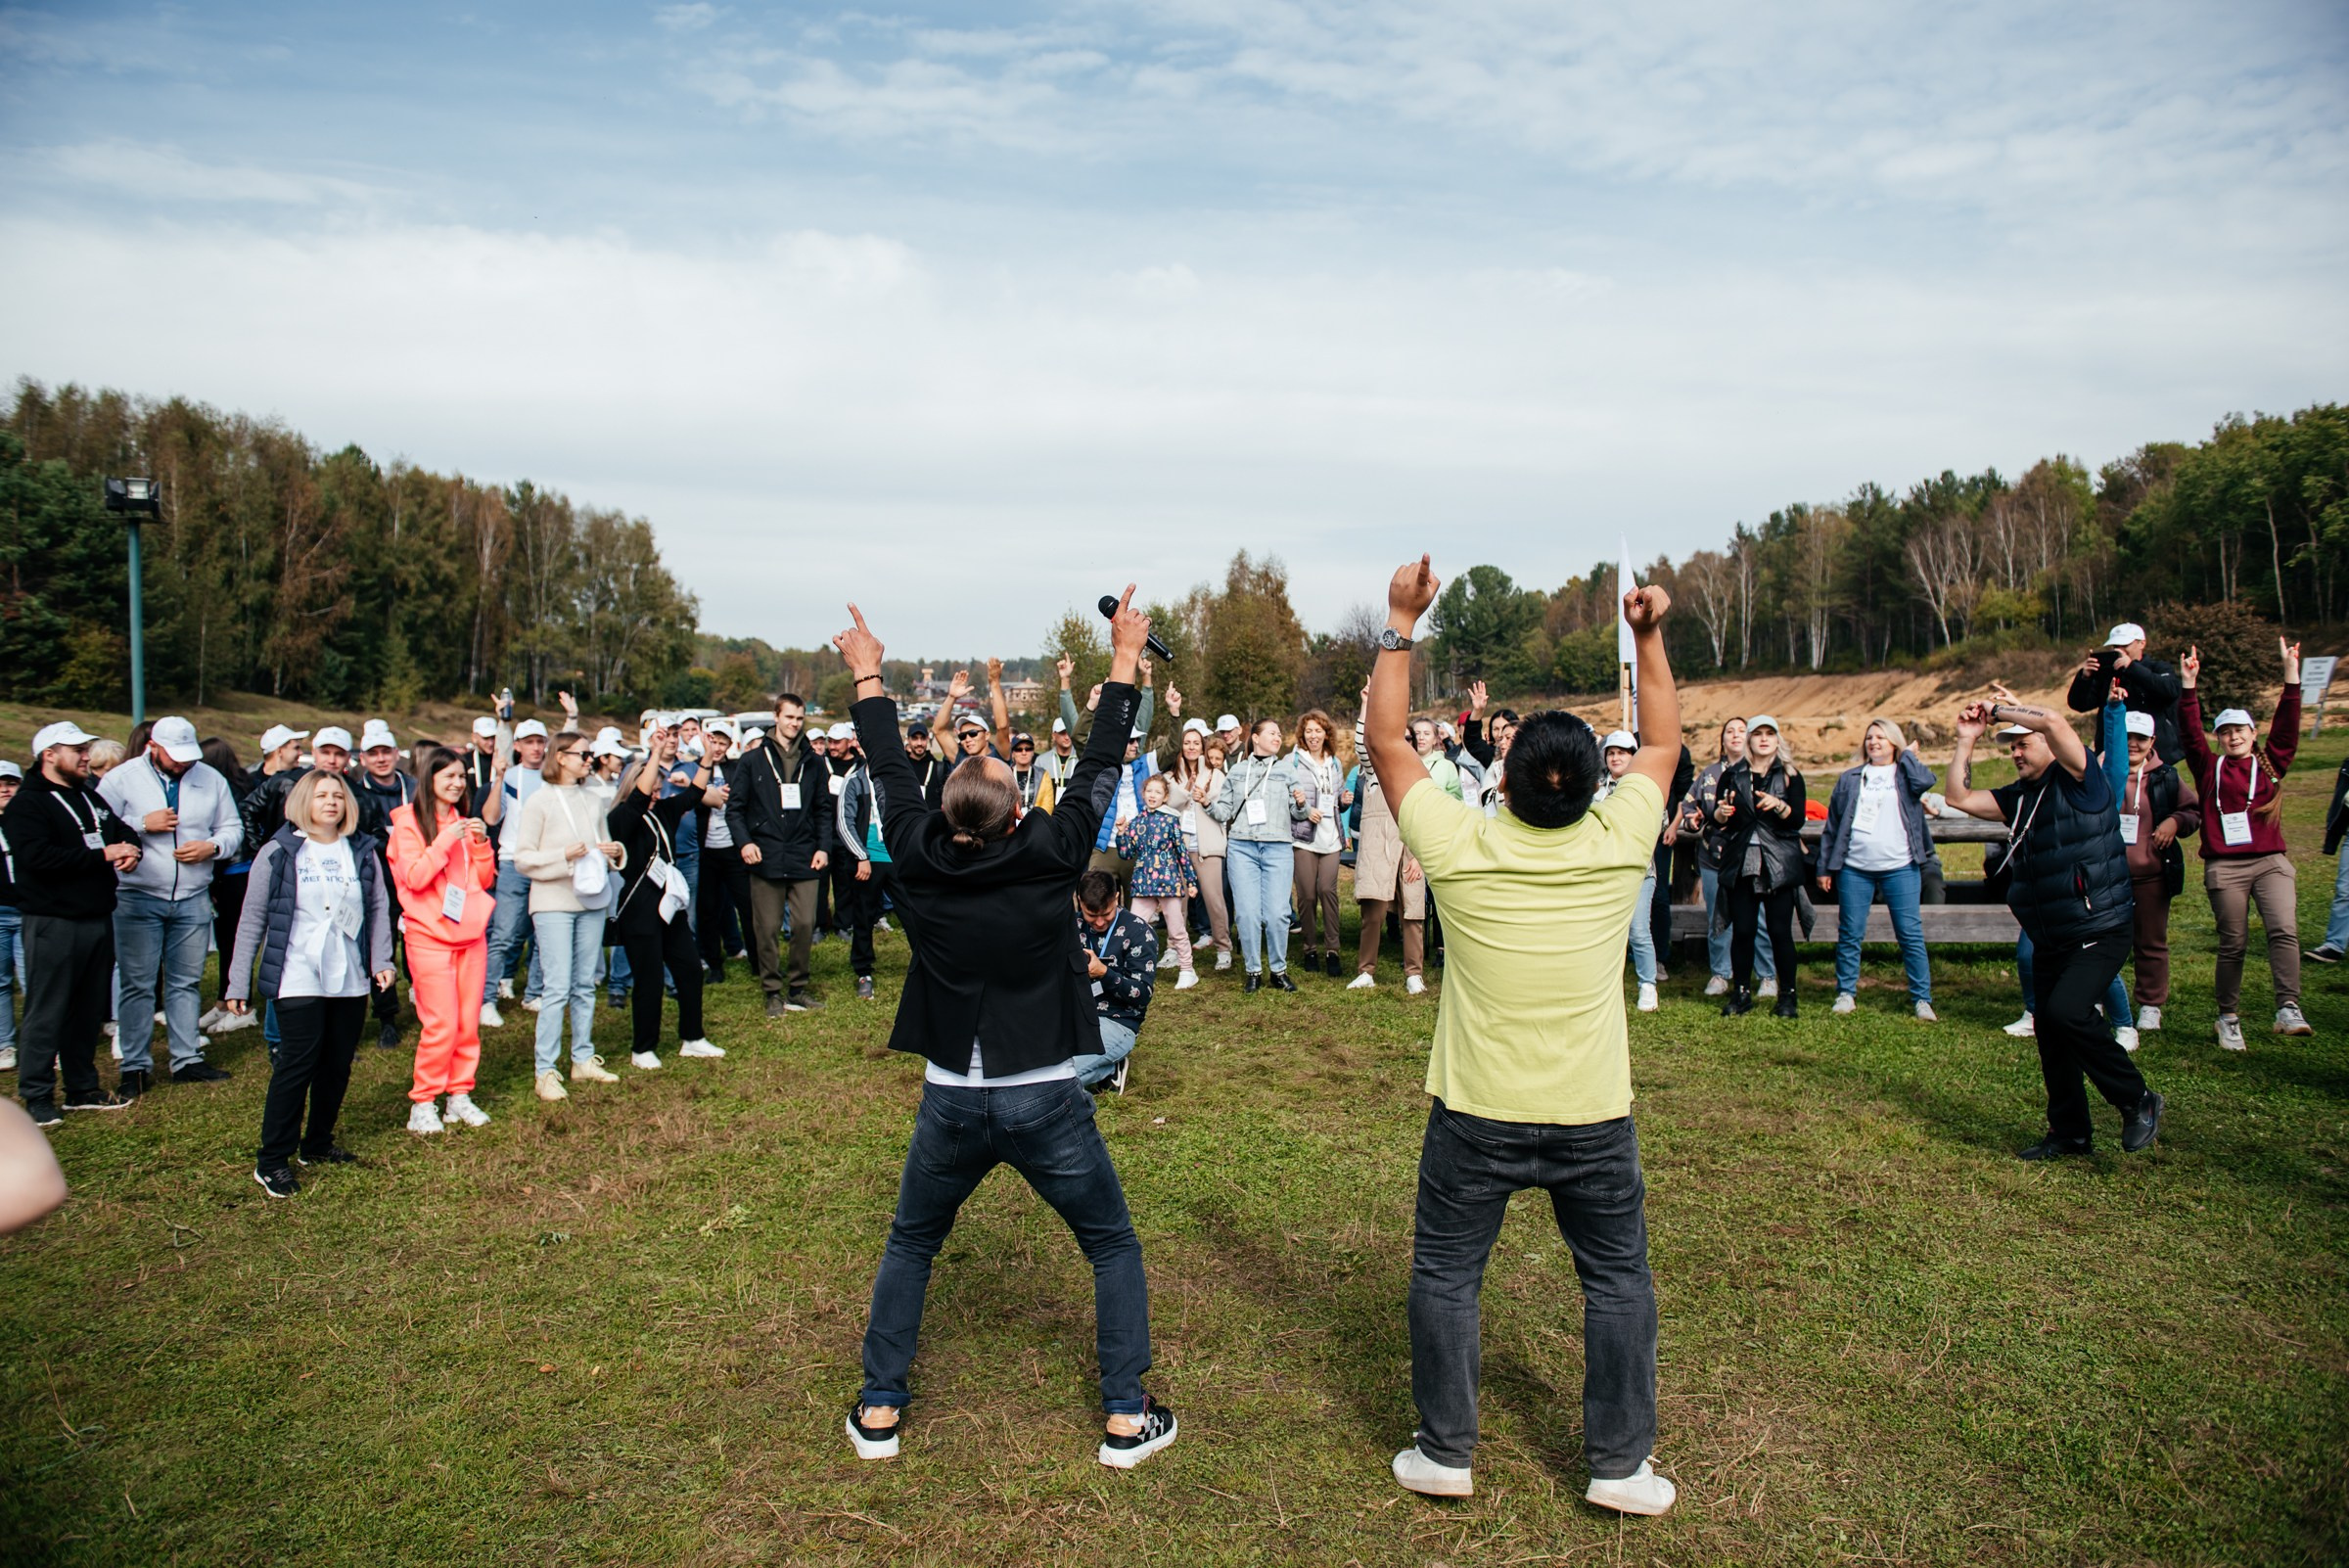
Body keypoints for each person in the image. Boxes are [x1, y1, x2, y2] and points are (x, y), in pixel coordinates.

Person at [833, 588, 1178, 1472]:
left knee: (914, 1239)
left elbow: (886, 770)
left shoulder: (913, 855)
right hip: (1041, 1095)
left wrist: (869, 673)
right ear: (1017, 811)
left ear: (945, 816)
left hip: (952, 1094)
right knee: (1110, 1243)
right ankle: (1124, 1419)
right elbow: (1101, 764)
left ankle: (879, 1410)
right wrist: (1124, 659)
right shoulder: (1053, 852)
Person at [1375, 555, 1680, 1516]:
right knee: (1618, 1284)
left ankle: (1446, 1452)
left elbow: (1387, 739)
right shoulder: (1619, 841)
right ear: (1598, 785)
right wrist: (1646, 634)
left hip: (1476, 1112)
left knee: (1447, 1277)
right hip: (1593, 1111)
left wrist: (1398, 619)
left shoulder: (1461, 846)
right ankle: (1619, 1468)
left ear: (1502, 781)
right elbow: (1667, 744)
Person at [1941, 699, 2162, 1159]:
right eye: (2012, 749)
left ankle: (2136, 1099)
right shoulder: (2017, 797)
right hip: (2051, 935)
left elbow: (2058, 722)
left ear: (2049, 744)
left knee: (2065, 1012)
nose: (2017, 753)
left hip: (2100, 926)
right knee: (2051, 1034)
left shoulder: (2083, 782)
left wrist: (2002, 710)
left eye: (2024, 744)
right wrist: (1966, 740)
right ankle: (2070, 1133)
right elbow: (1958, 799)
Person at [223, 769, 394, 1194]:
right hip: (296, 973)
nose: (332, 802)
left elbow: (377, 907)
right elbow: (251, 920)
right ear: (304, 802)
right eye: (321, 795)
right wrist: (237, 982)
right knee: (297, 1063)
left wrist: (381, 960)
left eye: (338, 795)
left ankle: (317, 1143)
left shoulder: (362, 850)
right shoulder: (278, 852)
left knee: (337, 1064)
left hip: (349, 976)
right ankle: (272, 1159)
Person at [98, 715, 243, 1095]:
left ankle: (186, 1058)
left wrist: (212, 847)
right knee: (138, 984)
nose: (182, 764)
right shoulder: (121, 778)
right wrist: (142, 824)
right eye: (174, 756)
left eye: (187, 757)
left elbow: (233, 828)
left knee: (185, 981)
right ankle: (135, 1065)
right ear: (153, 747)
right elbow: (100, 827)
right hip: (138, 894)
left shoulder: (210, 779)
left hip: (193, 895)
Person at [7, 722, 142, 1126]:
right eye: (77, 749)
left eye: (86, 748)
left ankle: (81, 1088)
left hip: (96, 916)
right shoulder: (27, 804)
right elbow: (37, 859)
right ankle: (36, 1094)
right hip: (53, 920)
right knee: (47, 1009)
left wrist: (131, 848)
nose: (86, 755)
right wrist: (101, 856)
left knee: (87, 1009)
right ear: (49, 754)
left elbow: (119, 829)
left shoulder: (87, 795)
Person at [2178, 638, 2310, 1047]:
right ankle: (2228, 1016)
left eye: (2241, 730)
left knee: (2284, 931)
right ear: (2218, 737)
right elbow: (2188, 732)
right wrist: (2188, 686)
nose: (2233, 736)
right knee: (2234, 942)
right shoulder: (2208, 767)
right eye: (2226, 731)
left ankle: (2288, 1007)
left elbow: (2287, 726)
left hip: (2270, 861)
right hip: (2226, 866)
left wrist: (2291, 674)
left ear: (2254, 734)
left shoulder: (2270, 765)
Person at [388, 746, 499, 1134]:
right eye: (448, 776)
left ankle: (459, 1095)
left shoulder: (463, 821)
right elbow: (415, 877)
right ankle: (423, 1102)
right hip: (429, 937)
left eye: (461, 777)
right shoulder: (408, 824)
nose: (456, 783)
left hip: (470, 936)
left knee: (467, 1023)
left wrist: (482, 845)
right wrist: (445, 840)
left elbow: (483, 880)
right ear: (428, 780)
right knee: (441, 1024)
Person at [508, 730, 625, 1100]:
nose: (589, 759)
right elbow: (522, 857)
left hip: (591, 899)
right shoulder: (539, 801)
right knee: (556, 987)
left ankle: (583, 1058)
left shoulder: (594, 799)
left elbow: (607, 849)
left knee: (585, 983)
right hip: (553, 901)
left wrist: (616, 852)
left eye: (590, 754)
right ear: (561, 757)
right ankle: (545, 1070)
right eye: (582, 754)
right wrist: (563, 857)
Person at [607, 726, 724, 1070]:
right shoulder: (622, 819)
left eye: (660, 788)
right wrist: (655, 752)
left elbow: (695, 793)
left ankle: (693, 1037)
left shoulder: (664, 813)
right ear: (635, 786)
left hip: (669, 906)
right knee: (649, 979)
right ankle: (643, 1047)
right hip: (640, 908)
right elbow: (639, 800)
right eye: (651, 787)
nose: (657, 793)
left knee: (688, 969)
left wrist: (705, 756)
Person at [1815, 719, 1937, 1021]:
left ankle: (1922, 998)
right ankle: (1845, 993)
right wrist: (1825, 867)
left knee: (1910, 934)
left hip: (1901, 867)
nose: (1874, 742)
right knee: (1850, 933)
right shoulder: (1850, 778)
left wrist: (1908, 756)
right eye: (1869, 737)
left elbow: (1927, 781)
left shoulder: (1906, 774)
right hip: (1856, 868)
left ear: (1894, 742)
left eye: (1881, 737)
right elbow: (1832, 827)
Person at [728, 692, 836, 1019]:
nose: (795, 723)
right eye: (789, 717)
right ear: (776, 716)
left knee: (805, 924)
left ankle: (798, 988)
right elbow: (735, 810)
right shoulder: (752, 760)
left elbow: (823, 810)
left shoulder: (814, 761)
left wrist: (823, 846)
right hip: (765, 855)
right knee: (768, 928)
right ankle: (773, 991)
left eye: (800, 718)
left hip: (804, 854)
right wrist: (745, 842)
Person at [1713, 715, 1806, 1018]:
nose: (1763, 739)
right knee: (1744, 930)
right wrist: (1722, 814)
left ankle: (1787, 996)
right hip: (1743, 860)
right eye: (1758, 734)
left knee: (1780, 931)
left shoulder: (1790, 775)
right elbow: (1719, 821)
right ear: (1750, 740)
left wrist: (1778, 805)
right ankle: (1741, 993)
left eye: (1770, 734)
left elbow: (1797, 821)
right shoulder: (1732, 775)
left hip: (1778, 861)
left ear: (1778, 740)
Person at [1678, 720, 1777, 999]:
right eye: (1729, 732)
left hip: (1751, 858)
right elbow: (1689, 807)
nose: (1735, 736)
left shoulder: (1761, 773)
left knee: (1758, 919)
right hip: (1714, 859)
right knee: (1718, 919)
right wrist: (1692, 819)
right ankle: (1721, 973)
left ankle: (1767, 976)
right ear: (1722, 741)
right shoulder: (1708, 776)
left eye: (1741, 731)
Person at [2114, 709, 2198, 1032]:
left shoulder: (2166, 776)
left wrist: (2174, 822)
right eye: (2126, 737)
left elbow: (2192, 812)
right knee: (2103, 938)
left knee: (2150, 941)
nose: (2133, 744)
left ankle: (2150, 1004)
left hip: (2151, 874)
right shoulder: (2104, 768)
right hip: (2108, 875)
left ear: (2152, 741)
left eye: (2140, 738)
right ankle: (2099, 995)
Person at [482, 715, 566, 1027]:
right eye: (528, 742)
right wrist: (499, 779)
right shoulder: (511, 777)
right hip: (514, 861)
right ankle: (487, 999)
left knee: (545, 934)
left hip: (547, 863)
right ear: (517, 746)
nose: (535, 747)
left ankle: (535, 993)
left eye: (539, 742)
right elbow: (491, 817)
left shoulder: (554, 778)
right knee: (504, 933)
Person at [1211, 718, 1307, 992]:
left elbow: (1299, 813)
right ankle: (1253, 970)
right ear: (1255, 738)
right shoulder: (1238, 771)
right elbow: (1224, 813)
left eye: (1279, 733)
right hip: (1242, 847)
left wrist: (1301, 802)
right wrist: (1207, 803)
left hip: (1277, 847)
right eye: (1272, 733)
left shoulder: (1288, 770)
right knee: (1247, 914)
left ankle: (1278, 971)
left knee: (1278, 914)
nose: (1278, 737)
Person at [1351, 701, 1431, 993]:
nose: (1406, 743)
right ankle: (1366, 971)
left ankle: (1414, 974)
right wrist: (1365, 706)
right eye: (1402, 739)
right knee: (1372, 912)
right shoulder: (1374, 769)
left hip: (1409, 851)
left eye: (1410, 739)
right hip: (1377, 847)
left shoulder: (1421, 775)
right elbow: (1362, 743)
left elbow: (1429, 818)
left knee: (1413, 913)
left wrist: (1420, 858)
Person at [353, 719, 418, 1050]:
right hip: (375, 881)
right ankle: (387, 1019)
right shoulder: (355, 792)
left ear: (396, 754)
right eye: (373, 753)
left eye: (386, 752)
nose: (380, 759)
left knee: (416, 946)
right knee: (380, 947)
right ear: (363, 758)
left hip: (416, 880)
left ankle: (423, 1000)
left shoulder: (414, 787)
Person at [1071, 869, 1158, 1091]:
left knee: (1061, 1077)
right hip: (1072, 1018)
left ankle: (1103, 1067)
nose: (1099, 922)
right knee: (1041, 1069)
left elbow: (1142, 995)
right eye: (1091, 914)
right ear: (1079, 901)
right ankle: (1108, 1072)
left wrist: (1105, 974)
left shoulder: (1139, 932)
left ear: (1117, 898)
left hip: (1117, 1022)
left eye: (1106, 913)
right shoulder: (1070, 926)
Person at [1595, 732, 1661, 1013]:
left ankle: (1648, 984)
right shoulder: (1597, 790)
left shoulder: (1644, 789)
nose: (1616, 757)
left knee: (1638, 930)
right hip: (1606, 872)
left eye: (1623, 752)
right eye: (1611, 752)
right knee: (1607, 934)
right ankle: (1608, 988)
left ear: (1634, 756)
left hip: (1640, 871)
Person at [1117, 775, 1199, 991]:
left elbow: (1182, 852)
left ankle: (1187, 970)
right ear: (1143, 794)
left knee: (1176, 927)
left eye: (1157, 792)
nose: (1152, 795)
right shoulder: (1137, 821)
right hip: (1143, 883)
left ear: (1165, 797)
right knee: (1134, 927)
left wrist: (1191, 881)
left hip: (1168, 881)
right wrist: (1122, 833)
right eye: (1149, 791)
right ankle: (1134, 968)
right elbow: (1126, 854)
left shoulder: (1171, 820)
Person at [2066, 621, 2185, 763]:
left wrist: (2131, 668)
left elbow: (2170, 690)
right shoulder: (2107, 673)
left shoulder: (2159, 667)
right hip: (2113, 750)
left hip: (2158, 752)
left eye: (2125, 645)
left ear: (2142, 643)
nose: (2119, 650)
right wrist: (2085, 678)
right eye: (2116, 646)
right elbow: (2079, 704)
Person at [1288, 710, 1348, 979]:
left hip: (1331, 837)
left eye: (1318, 730)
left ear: (1326, 734)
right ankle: (1310, 948)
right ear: (1303, 734)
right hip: (1304, 836)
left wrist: (1344, 800)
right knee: (1308, 895)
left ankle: (1332, 950)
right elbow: (1288, 799)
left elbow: (1337, 798)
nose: (1313, 735)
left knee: (1327, 891)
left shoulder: (1334, 762)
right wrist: (1304, 809)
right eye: (1309, 731)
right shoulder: (1293, 762)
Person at [1169, 723, 1230, 969]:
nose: (1191, 747)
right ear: (1181, 747)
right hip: (1180, 847)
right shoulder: (1173, 774)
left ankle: (1223, 947)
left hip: (1208, 846)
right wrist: (1186, 790)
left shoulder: (1215, 773)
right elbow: (1170, 804)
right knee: (1177, 899)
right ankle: (1174, 948)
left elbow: (1223, 808)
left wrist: (1204, 798)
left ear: (1203, 746)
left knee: (1215, 899)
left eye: (1196, 743)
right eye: (1187, 743)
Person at [696, 722, 752, 984]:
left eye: (722, 743)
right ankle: (714, 964)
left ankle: (758, 960)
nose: (717, 748)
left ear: (730, 745)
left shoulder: (736, 768)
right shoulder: (697, 768)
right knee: (708, 910)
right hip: (706, 850)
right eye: (713, 742)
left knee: (747, 906)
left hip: (733, 848)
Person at [0, 761, 20, 1074]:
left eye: (10, 782)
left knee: (39, 981)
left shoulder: (32, 819)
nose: (4, 789)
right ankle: (5, 1043)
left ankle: (49, 1043)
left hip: (33, 910)